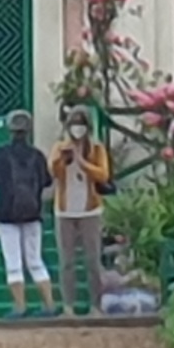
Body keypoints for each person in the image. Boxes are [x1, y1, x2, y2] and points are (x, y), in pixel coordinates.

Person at [0, 107, 59, 317]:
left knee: (13, 263)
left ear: (9, 129)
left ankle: (20, 306)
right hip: (33, 214)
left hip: (6, 215)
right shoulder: (37, 155)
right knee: (35, 261)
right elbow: (47, 181)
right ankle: (49, 305)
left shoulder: (0, 154)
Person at [52, 116, 113, 302]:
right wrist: (63, 158)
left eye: (81, 125)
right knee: (67, 262)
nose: (77, 129)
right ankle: (68, 305)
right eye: (74, 125)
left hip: (90, 211)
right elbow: (53, 171)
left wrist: (82, 162)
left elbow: (103, 175)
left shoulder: (96, 149)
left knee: (93, 260)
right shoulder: (60, 147)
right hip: (65, 212)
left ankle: (96, 304)